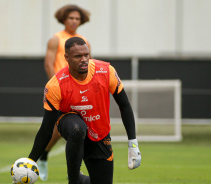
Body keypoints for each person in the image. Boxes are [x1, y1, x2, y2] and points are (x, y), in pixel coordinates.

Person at [28, 37, 141, 184]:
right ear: (66, 58)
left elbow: (124, 106)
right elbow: (46, 129)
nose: (84, 60)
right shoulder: (56, 85)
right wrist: (30, 162)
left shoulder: (106, 71)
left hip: (99, 133)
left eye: (86, 55)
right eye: (78, 56)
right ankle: (73, 180)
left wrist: (133, 143)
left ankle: (81, 180)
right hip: (69, 122)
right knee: (77, 128)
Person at [39, 4, 91, 181]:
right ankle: (45, 157)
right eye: (71, 18)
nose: (74, 21)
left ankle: (47, 157)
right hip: (61, 92)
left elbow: (89, 67)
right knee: (62, 129)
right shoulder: (56, 39)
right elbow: (48, 63)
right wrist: (58, 88)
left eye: (77, 18)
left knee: (78, 129)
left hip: (81, 92)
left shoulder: (83, 41)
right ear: (64, 19)